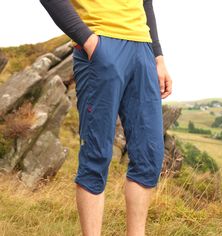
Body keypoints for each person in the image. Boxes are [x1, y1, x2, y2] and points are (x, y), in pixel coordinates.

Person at [40, 0, 172, 235]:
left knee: (149, 156)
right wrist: (89, 41)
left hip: (143, 49)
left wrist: (158, 56)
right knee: (96, 155)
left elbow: (146, 2)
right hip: (101, 43)